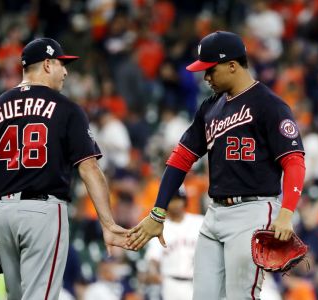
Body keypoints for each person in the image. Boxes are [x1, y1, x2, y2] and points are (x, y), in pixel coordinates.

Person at [127, 31, 306, 299]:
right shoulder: (210, 107)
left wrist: (287, 213)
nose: (206, 77)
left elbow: (294, 161)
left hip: (253, 212)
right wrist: (158, 213)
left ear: (232, 65)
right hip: (215, 214)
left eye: (210, 70)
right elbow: (181, 159)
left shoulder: (270, 105)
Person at [0, 37, 130, 300]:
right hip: (43, 211)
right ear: (48, 64)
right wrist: (107, 223)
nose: (66, 72)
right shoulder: (67, 109)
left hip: (2, 213)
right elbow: (90, 169)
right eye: (62, 64)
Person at [144, 186, 203, 300]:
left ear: (184, 201)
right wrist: (153, 271)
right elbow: (153, 258)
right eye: (172, 200)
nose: (176, 203)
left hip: (199, 282)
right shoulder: (160, 228)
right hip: (171, 284)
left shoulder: (200, 222)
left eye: (178, 199)